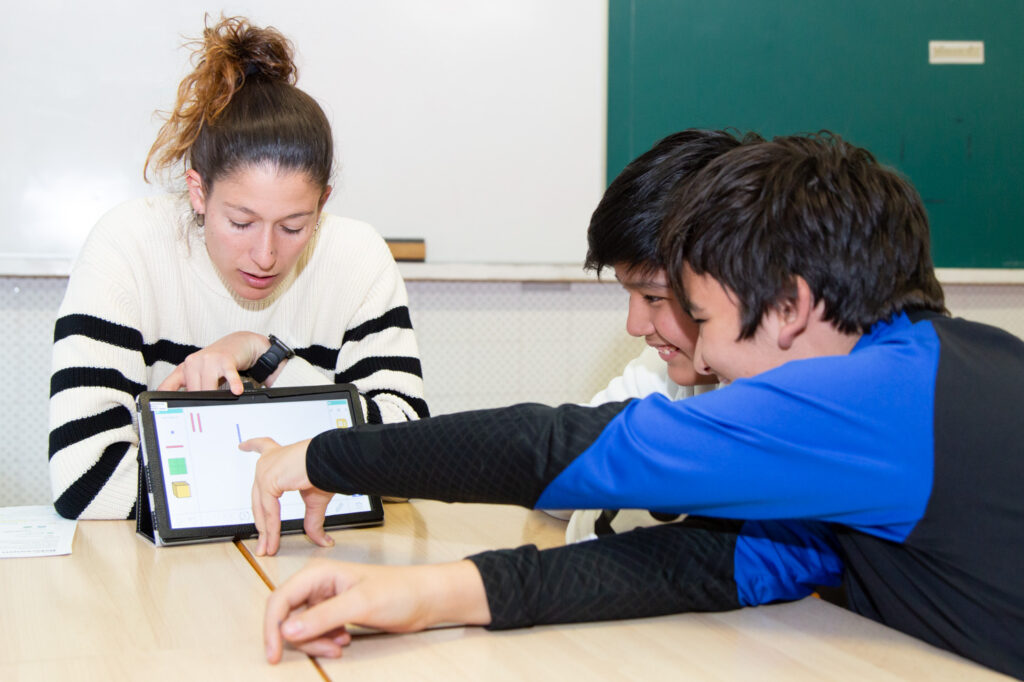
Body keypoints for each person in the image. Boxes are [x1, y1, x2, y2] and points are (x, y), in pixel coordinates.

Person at [246, 132, 1024, 678]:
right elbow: (709, 566)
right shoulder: (938, 372)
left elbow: (561, 451)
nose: (704, 357)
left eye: (704, 319)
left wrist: (325, 455)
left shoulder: (878, 403)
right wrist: (422, 595)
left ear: (788, 308)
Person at [48, 16, 428, 521]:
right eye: (241, 222)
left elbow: (408, 463)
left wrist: (268, 359)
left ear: (322, 203)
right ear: (198, 191)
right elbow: (86, 481)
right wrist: (305, 472)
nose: (265, 255)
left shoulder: (356, 256)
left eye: (294, 226)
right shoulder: (128, 247)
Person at [562, 129, 762, 541]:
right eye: (630, 293)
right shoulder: (664, 367)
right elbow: (563, 472)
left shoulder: (771, 405)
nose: (635, 326)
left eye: (654, 297)